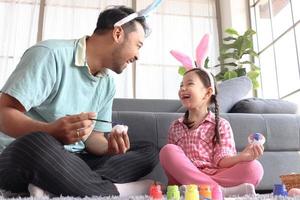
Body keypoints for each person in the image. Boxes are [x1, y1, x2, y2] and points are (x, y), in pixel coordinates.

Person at [0, 5, 159, 198]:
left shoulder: (107, 83)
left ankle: (58, 184)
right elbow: (3, 112)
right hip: (22, 156)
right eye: (138, 45)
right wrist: (51, 131)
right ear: (118, 33)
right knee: (39, 142)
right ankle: (113, 190)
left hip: (73, 160)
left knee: (149, 150)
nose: (138, 56)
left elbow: (94, 139)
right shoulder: (50, 54)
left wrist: (110, 148)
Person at [159, 68, 264, 199]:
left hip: (216, 174)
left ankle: (206, 189)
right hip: (187, 177)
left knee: (255, 168)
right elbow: (173, 166)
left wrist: (242, 157)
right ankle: (219, 191)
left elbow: (222, 160)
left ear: (208, 92)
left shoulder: (221, 124)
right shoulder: (175, 126)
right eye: (181, 85)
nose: (183, 88)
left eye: (189, 84)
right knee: (167, 151)